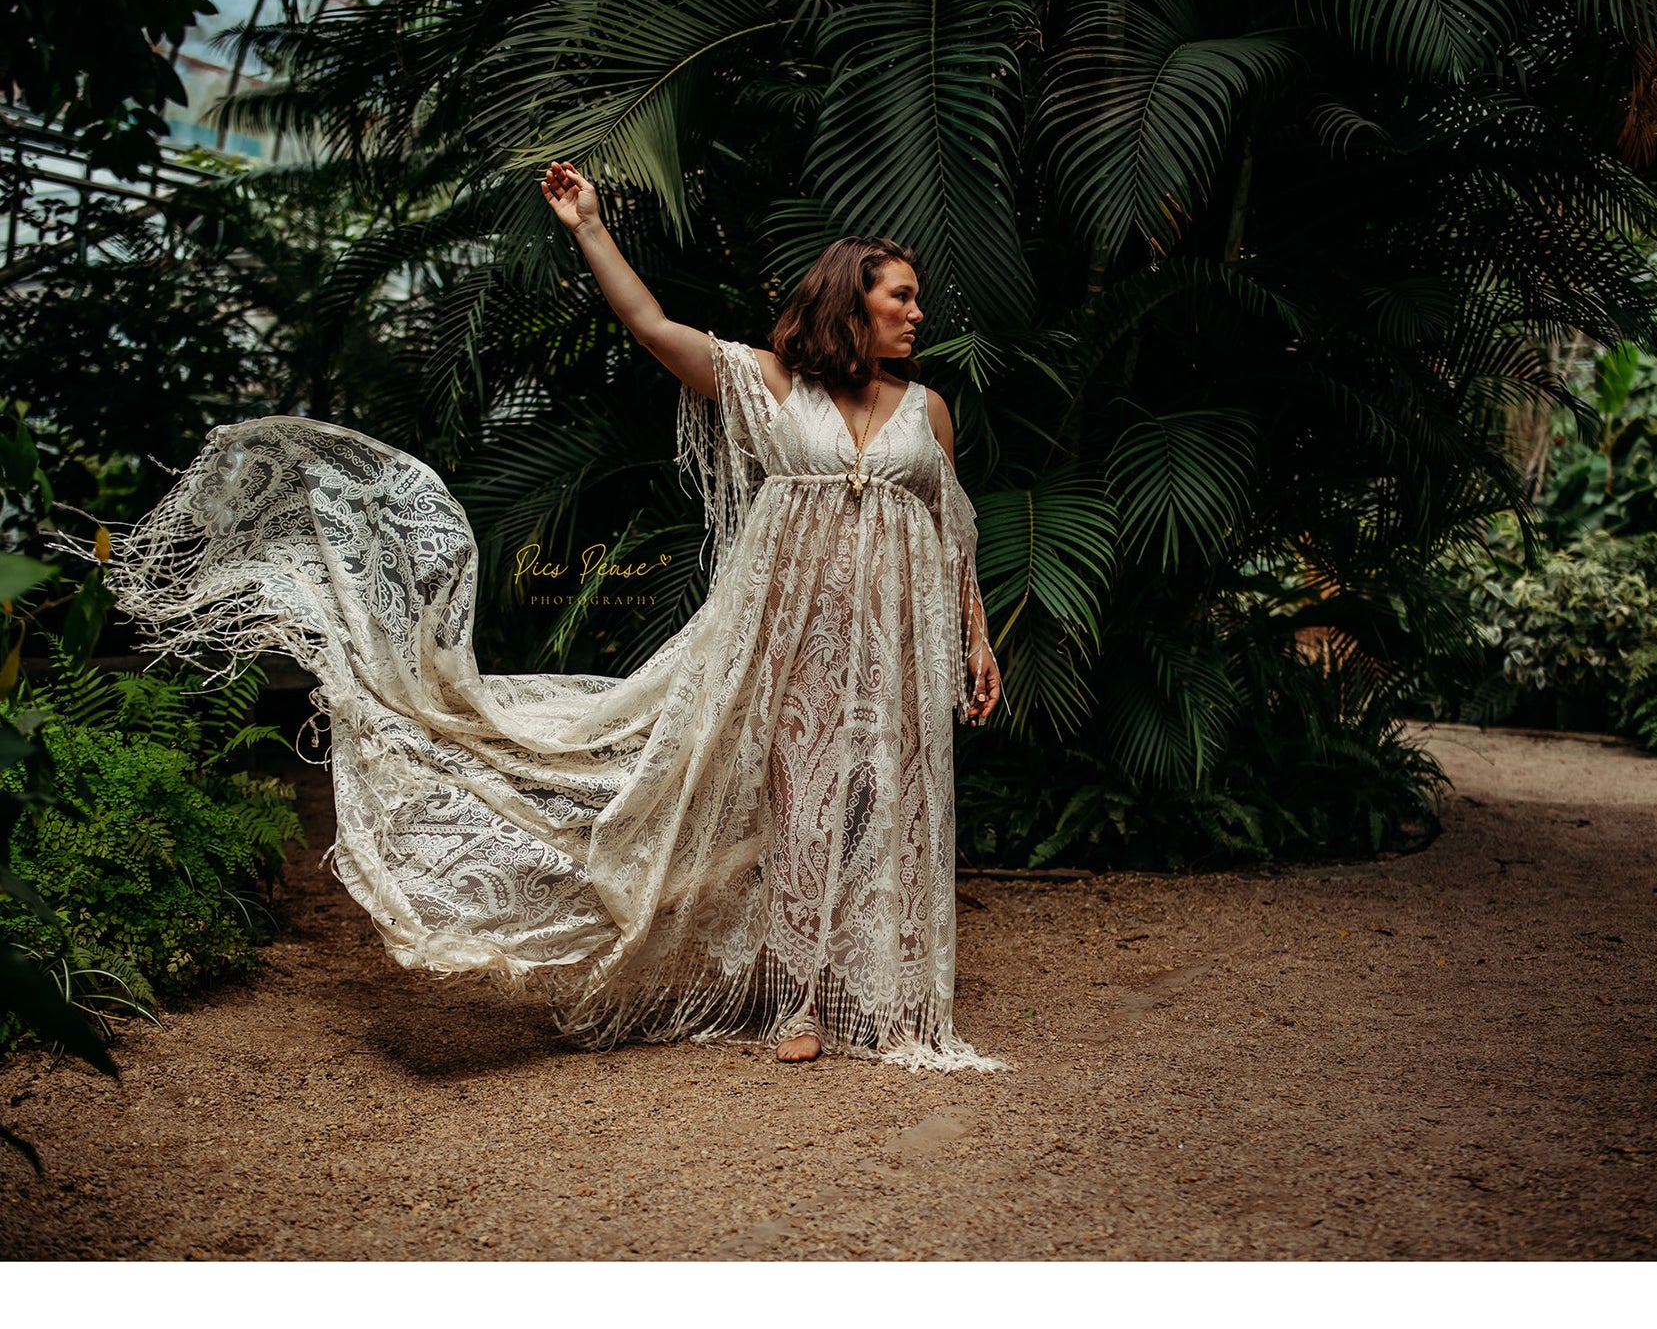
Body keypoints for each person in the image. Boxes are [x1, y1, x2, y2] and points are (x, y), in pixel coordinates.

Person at [65, 162, 1004, 1072]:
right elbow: (651, 327)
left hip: (893, 649)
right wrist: (589, 226)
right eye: (901, 296)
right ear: (850, 300)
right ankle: (798, 1000)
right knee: (796, 811)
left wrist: (978, 639)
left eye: (916, 299)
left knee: (883, 805)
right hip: (781, 645)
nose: (917, 313)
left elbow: (951, 533)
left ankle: (881, 992)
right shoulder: (772, 386)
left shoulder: (928, 410)